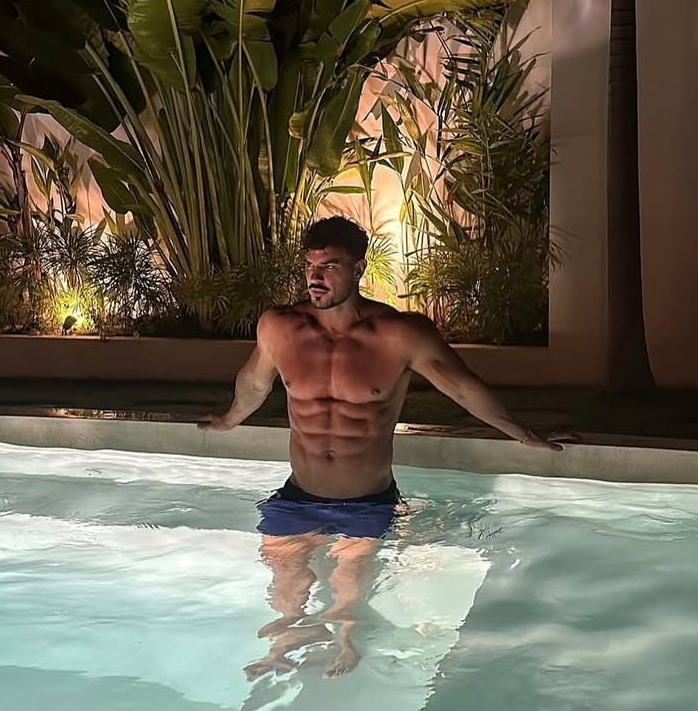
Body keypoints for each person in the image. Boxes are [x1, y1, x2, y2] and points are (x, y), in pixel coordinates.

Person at [199, 216, 566, 679]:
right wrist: (228, 421)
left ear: (358, 268)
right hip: (299, 493)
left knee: (347, 580)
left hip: (367, 500)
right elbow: (254, 383)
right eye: (310, 265)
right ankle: (290, 634)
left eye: (330, 266)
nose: (315, 277)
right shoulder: (280, 327)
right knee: (284, 578)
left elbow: (464, 389)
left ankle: (348, 638)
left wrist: (524, 434)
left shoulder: (399, 334)